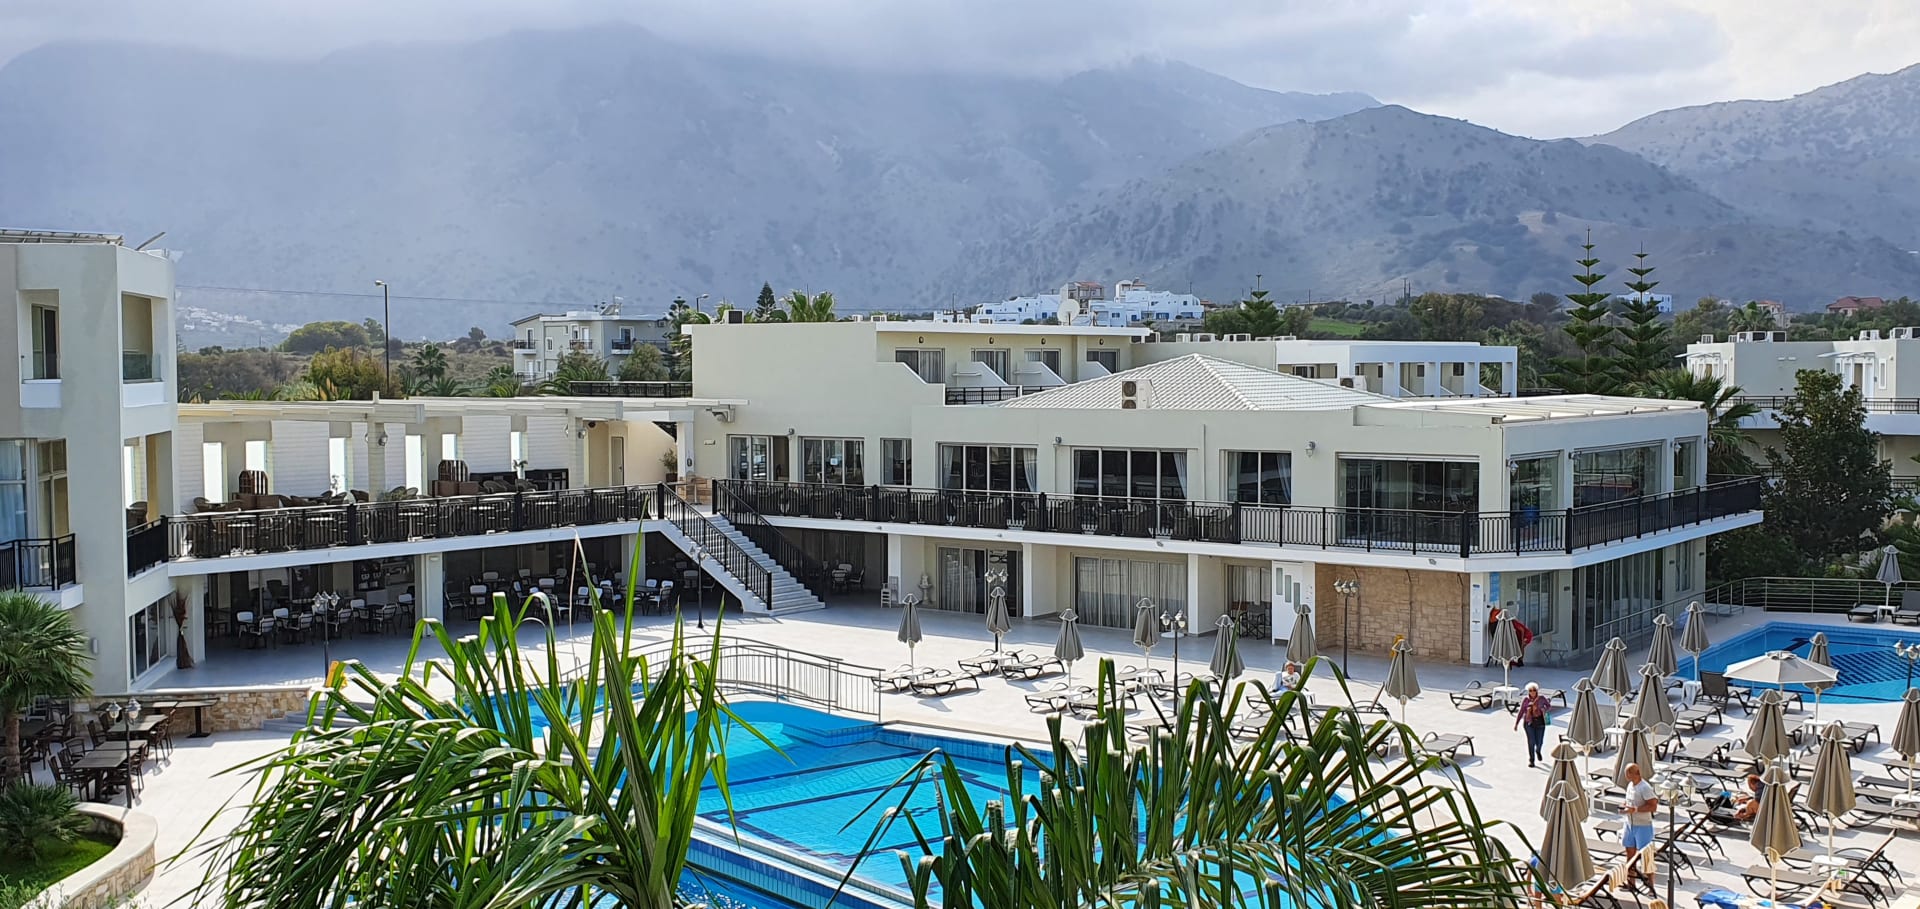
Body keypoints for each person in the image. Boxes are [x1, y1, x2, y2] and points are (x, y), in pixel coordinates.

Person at [1620, 763, 1659, 879]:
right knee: (1629, 853)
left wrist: (1636, 809)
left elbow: (1653, 806)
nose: (1626, 775)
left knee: (1646, 857)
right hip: (1629, 824)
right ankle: (1630, 882)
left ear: (1636, 773)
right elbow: (1629, 802)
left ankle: (1651, 884)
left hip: (1643, 826)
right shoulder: (1630, 785)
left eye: (1628, 773)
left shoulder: (1645, 788)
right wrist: (1624, 806)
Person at [1513, 681, 1552, 767]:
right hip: (1529, 723)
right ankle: (1532, 760)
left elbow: (1549, 706)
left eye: (1534, 690)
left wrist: (1544, 709)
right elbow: (1521, 711)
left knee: (1539, 742)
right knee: (1531, 742)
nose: (1532, 692)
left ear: (1537, 690)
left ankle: (1538, 750)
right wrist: (1516, 723)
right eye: (1530, 690)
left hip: (1540, 722)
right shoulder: (1526, 700)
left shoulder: (1541, 698)